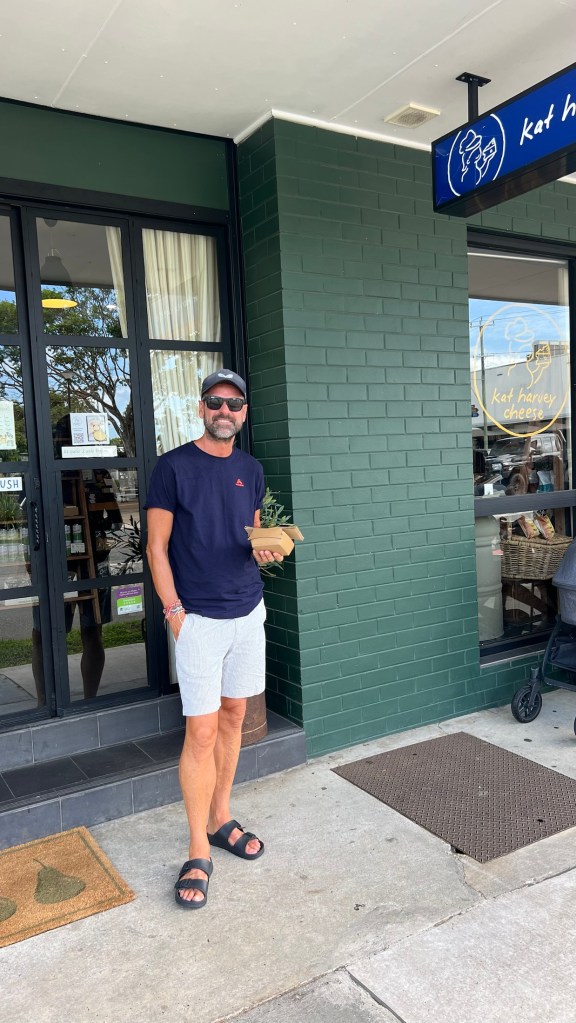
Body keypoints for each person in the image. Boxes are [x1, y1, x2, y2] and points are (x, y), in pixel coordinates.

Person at [145, 368, 283, 910]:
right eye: (215, 402)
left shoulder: (251, 469)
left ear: (244, 413)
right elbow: (157, 548)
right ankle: (198, 848)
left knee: (234, 717)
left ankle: (220, 817)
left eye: (234, 404)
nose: (224, 411)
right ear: (201, 408)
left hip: (248, 612)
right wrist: (174, 612)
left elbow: (248, 537)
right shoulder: (173, 467)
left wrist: (265, 550)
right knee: (200, 733)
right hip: (198, 618)